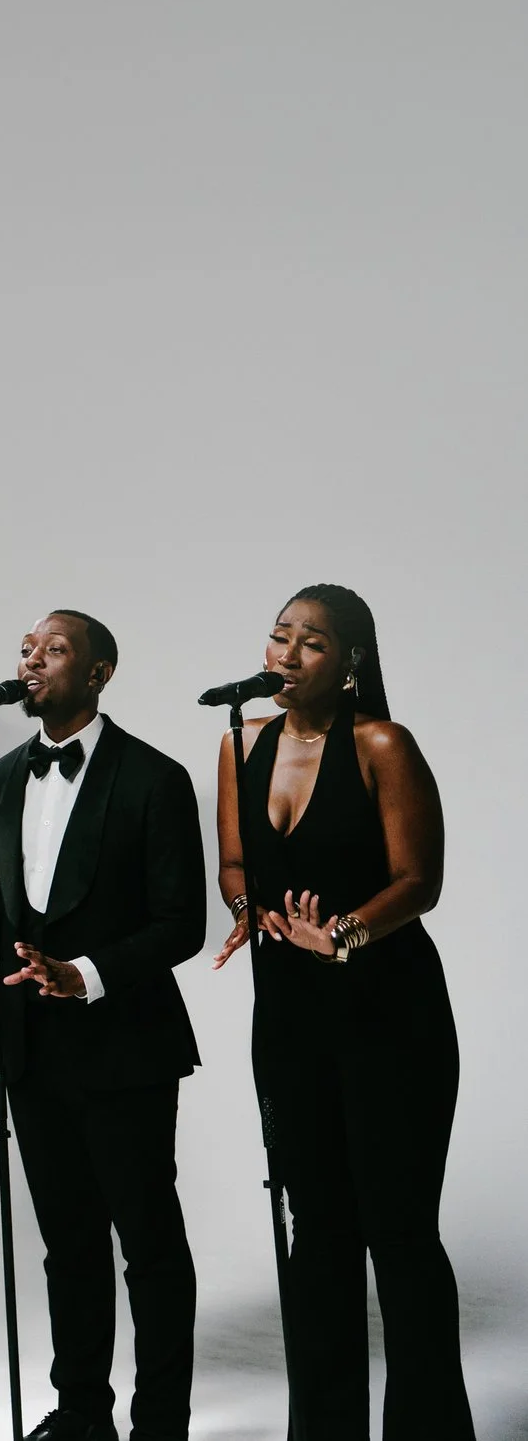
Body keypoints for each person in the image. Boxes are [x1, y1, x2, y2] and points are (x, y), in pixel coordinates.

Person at [0, 610, 204, 1441]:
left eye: (53, 650)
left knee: (149, 1246)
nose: (32, 661)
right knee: (68, 1247)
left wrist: (88, 974)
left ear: (101, 672)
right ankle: (79, 1417)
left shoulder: (155, 778)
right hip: (32, 1053)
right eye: (25, 650)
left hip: (127, 1048)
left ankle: (161, 1425)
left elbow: (183, 923)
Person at [210, 585, 472, 1438]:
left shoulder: (381, 744)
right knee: (316, 1233)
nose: (284, 654)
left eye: (310, 642)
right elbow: (237, 861)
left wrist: (347, 935)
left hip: (390, 1019)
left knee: (398, 1235)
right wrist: (248, 909)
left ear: (350, 661)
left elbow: (418, 881)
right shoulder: (237, 741)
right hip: (287, 1020)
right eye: (279, 635)